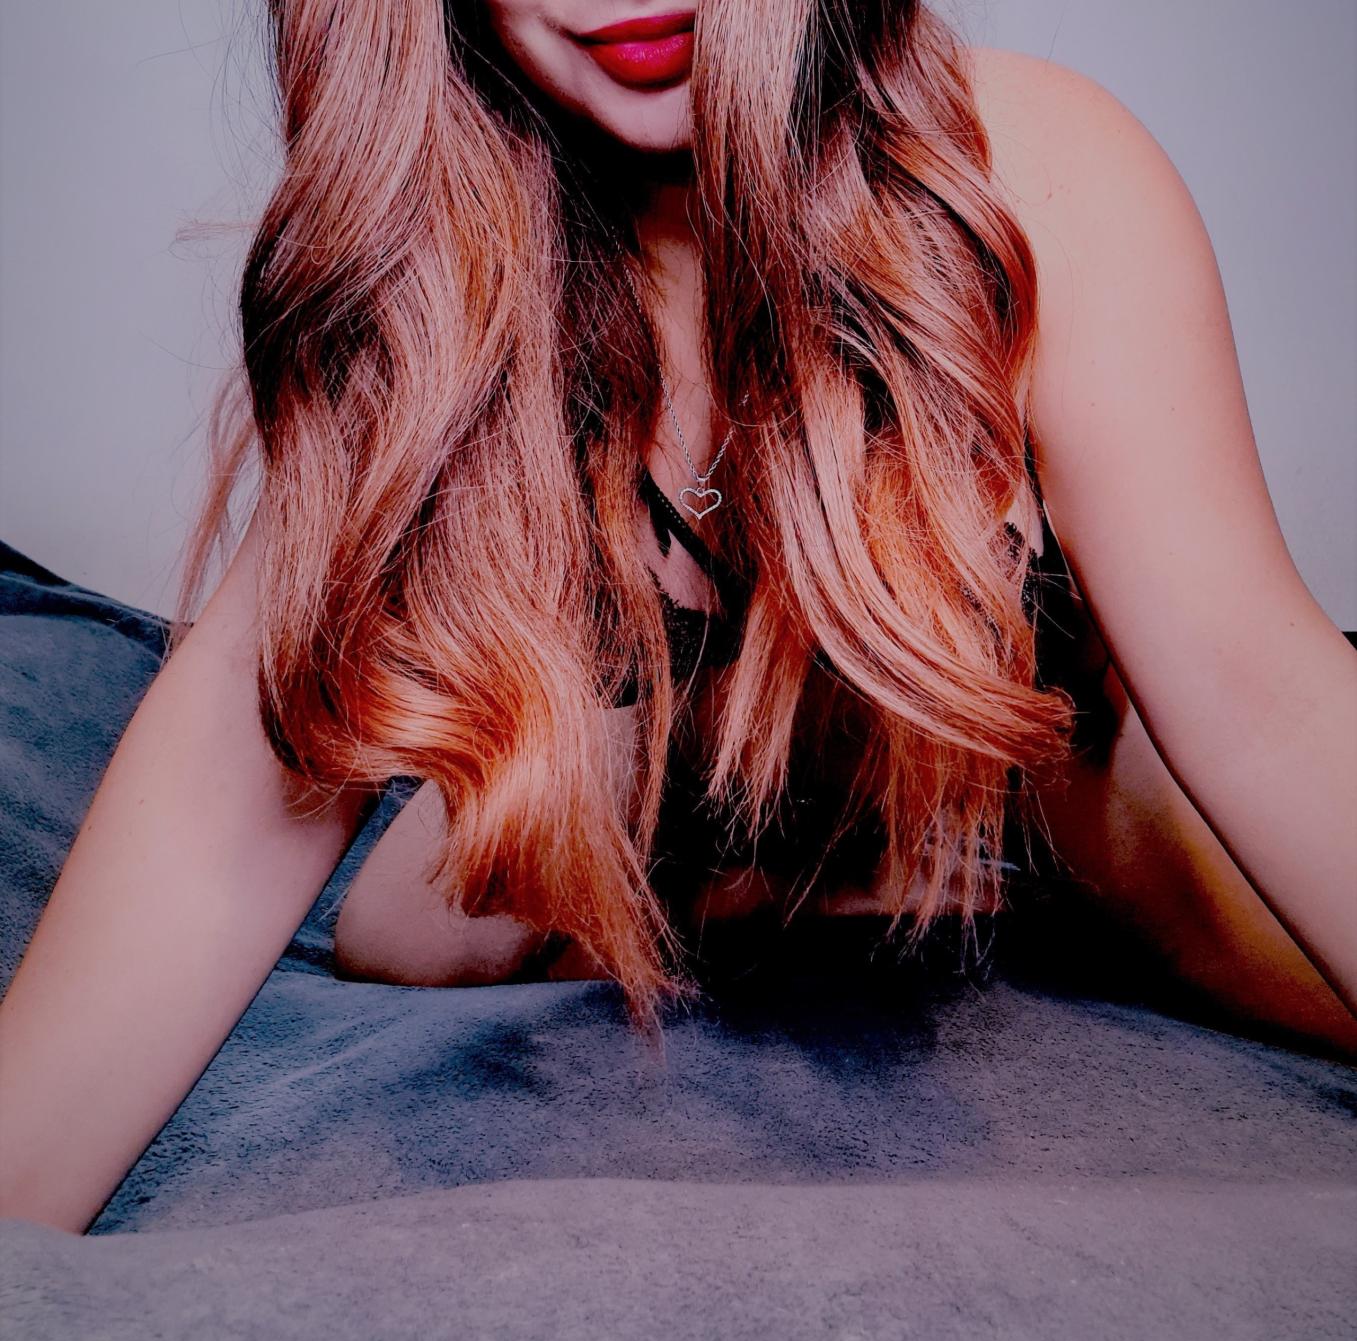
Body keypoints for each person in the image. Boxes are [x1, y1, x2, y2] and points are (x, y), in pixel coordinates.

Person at [1, 0, 1354, 1237]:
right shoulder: (436, 258)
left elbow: (1258, 699)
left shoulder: (1017, 164)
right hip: (660, 738)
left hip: (1023, 747)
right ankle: (780, 853)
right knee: (411, 933)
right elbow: (224, 806)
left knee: (1224, 923)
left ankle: (853, 836)